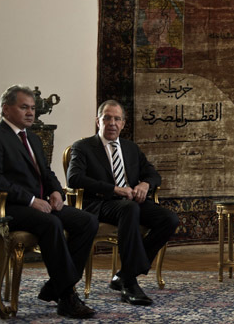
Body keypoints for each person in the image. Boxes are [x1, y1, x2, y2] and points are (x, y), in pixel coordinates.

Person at [0, 85, 98, 319]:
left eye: (32, 108)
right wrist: (31, 200)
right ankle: (67, 295)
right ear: (6, 109)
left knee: (87, 221)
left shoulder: (32, 138)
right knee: (51, 223)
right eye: (24, 107)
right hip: (7, 207)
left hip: (38, 204)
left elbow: (47, 172)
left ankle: (56, 286)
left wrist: (56, 192)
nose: (31, 113)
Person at [67, 100, 179, 306]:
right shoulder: (83, 147)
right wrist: (114, 189)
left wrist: (145, 184)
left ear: (123, 123)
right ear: (97, 121)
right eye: (107, 118)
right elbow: (74, 178)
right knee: (129, 208)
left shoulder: (130, 148)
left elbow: (153, 174)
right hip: (99, 203)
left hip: (129, 203)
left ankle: (127, 273)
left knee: (169, 219)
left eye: (117, 119)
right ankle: (129, 284)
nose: (112, 123)